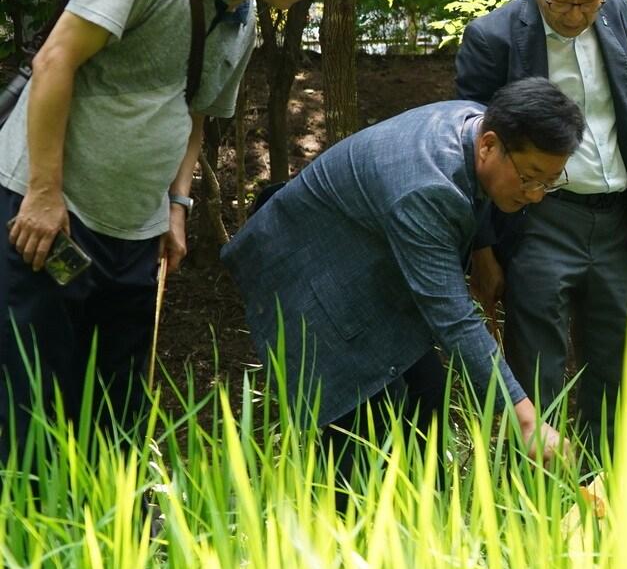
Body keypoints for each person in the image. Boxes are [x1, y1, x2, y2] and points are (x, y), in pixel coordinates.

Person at [1, 0, 347, 460]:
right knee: (29, 397)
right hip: (54, 217)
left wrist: (178, 205)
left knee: (116, 404)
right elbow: (56, 60)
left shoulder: (242, 21)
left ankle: (108, 535)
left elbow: (195, 116)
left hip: (135, 232)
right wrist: (42, 192)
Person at [221, 78, 585, 470]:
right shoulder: (425, 188)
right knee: (362, 441)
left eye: (548, 182)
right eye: (529, 177)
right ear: (489, 145)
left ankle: (421, 518)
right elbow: (453, 318)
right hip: (308, 278)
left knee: (426, 402)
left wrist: (481, 253)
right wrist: (526, 420)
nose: (534, 195)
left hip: (361, 261)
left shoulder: (470, 122)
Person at [455, 0, 627, 457]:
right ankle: (533, 506)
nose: (577, 13)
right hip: (537, 217)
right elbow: (474, 151)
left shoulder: (617, 16)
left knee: (618, 364)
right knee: (538, 367)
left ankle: (607, 496)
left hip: (617, 218)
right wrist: (483, 247)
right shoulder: (493, 38)